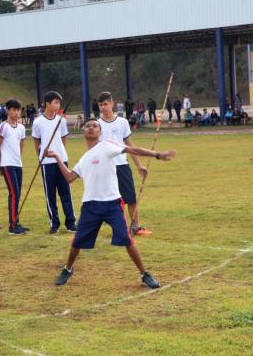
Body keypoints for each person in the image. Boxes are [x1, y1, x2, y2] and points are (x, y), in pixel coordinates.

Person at [49, 118, 177, 289]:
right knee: (77, 241)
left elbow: (132, 149)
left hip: (112, 204)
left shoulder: (107, 146)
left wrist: (157, 155)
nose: (91, 128)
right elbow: (70, 177)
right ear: (83, 132)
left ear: (100, 132)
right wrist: (57, 157)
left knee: (126, 239)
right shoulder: (84, 159)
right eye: (87, 126)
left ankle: (144, 274)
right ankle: (68, 269)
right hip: (90, 206)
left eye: (95, 126)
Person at [97, 92, 151, 236]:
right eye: (101, 105)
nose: (103, 107)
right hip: (106, 168)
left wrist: (139, 165)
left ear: (112, 104)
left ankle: (136, 227)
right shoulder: (97, 125)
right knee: (112, 201)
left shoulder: (122, 122)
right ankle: (119, 228)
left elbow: (130, 146)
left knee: (131, 198)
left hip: (122, 166)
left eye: (106, 104)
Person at [32, 91, 77, 234]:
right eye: (56, 102)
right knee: (50, 194)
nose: (58, 105)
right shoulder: (38, 122)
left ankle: (71, 223)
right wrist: (41, 154)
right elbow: (36, 141)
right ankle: (54, 223)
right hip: (47, 163)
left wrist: (60, 152)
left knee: (66, 193)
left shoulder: (61, 120)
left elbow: (63, 139)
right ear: (47, 103)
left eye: (59, 102)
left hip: (61, 160)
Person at [0, 99, 28, 235]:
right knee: (14, 194)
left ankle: (16, 221)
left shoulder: (21, 128)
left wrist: (18, 157)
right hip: (7, 164)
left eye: (18, 110)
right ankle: (12, 226)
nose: (16, 113)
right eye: (14, 110)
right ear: (8, 110)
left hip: (17, 164)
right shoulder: (3, 126)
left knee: (17, 194)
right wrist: (0, 165)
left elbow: (20, 145)